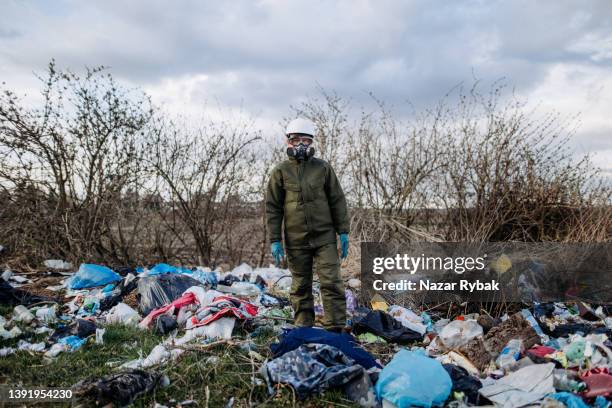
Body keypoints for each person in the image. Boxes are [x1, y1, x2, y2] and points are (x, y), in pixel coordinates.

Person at [265, 117, 350, 331]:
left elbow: (337, 200)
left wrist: (343, 231)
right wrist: (275, 239)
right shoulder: (280, 172)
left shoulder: (323, 168)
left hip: (324, 238)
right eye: (296, 140)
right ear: (288, 143)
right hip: (296, 240)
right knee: (300, 286)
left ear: (311, 143)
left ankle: (336, 330)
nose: (301, 145)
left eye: (306, 140)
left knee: (332, 282)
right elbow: (273, 208)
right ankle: (304, 328)